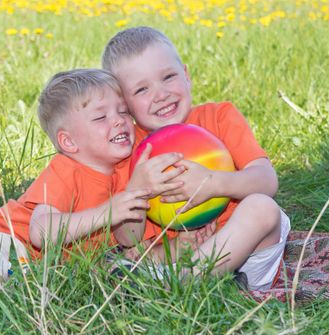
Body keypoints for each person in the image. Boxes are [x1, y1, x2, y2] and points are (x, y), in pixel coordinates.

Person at [101, 26, 291, 291]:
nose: (160, 94)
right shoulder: (131, 152)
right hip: (172, 261)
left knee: (263, 207)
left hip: (247, 256)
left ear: (187, 75)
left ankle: (183, 285)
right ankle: (192, 284)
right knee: (135, 253)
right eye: (142, 90)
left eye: (168, 77)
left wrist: (215, 183)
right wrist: (137, 190)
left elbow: (266, 180)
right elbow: (127, 238)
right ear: (126, 105)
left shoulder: (220, 117)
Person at [0, 68, 187, 279]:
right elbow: (41, 233)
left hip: (43, 268)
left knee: (119, 266)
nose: (120, 120)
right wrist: (108, 212)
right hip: (6, 238)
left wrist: (139, 192)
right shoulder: (66, 169)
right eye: (101, 117)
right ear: (69, 142)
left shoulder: (128, 168)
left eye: (124, 111)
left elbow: (129, 238)